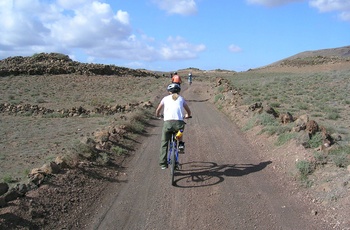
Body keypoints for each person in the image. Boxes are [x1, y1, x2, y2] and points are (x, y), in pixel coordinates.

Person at [155, 83, 191, 169]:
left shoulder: (165, 99)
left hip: (168, 124)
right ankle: (181, 144)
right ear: (178, 91)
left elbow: (158, 110)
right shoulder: (181, 99)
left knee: (164, 143)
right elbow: (188, 111)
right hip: (179, 124)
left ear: (169, 92)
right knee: (180, 130)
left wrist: (158, 115)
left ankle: (163, 164)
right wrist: (187, 115)